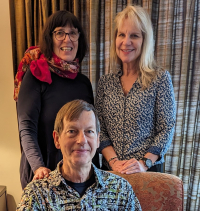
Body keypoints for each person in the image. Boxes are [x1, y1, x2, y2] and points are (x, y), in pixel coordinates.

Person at [14, 10, 99, 189]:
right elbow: (26, 128)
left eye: (73, 33)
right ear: (49, 38)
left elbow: (89, 129)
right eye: (60, 32)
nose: (67, 39)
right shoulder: (36, 75)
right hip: (43, 170)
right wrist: (38, 167)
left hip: (78, 173)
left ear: (79, 39)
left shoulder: (83, 83)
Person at [16, 100, 142, 210]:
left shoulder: (121, 189)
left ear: (98, 140)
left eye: (89, 131)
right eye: (72, 131)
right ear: (57, 139)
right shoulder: (36, 194)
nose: (82, 140)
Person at [95, 5, 176, 173]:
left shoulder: (159, 79)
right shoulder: (105, 83)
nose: (126, 42)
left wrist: (143, 163)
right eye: (121, 35)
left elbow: (166, 128)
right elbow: (99, 129)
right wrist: (114, 162)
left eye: (134, 36)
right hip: (112, 172)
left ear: (144, 41)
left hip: (147, 173)